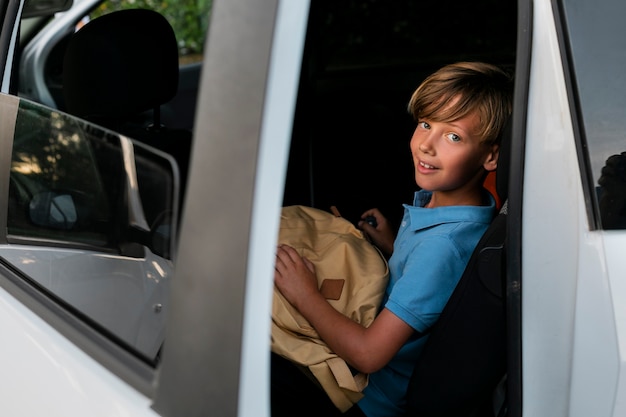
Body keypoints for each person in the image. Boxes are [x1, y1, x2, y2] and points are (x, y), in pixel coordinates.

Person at [272, 61, 513, 417]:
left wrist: (304, 293)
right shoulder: (463, 216)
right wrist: (391, 246)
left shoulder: (441, 247)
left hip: (366, 397)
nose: (426, 145)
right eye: (425, 124)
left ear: (491, 156)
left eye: (453, 136)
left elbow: (370, 354)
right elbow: (438, 287)